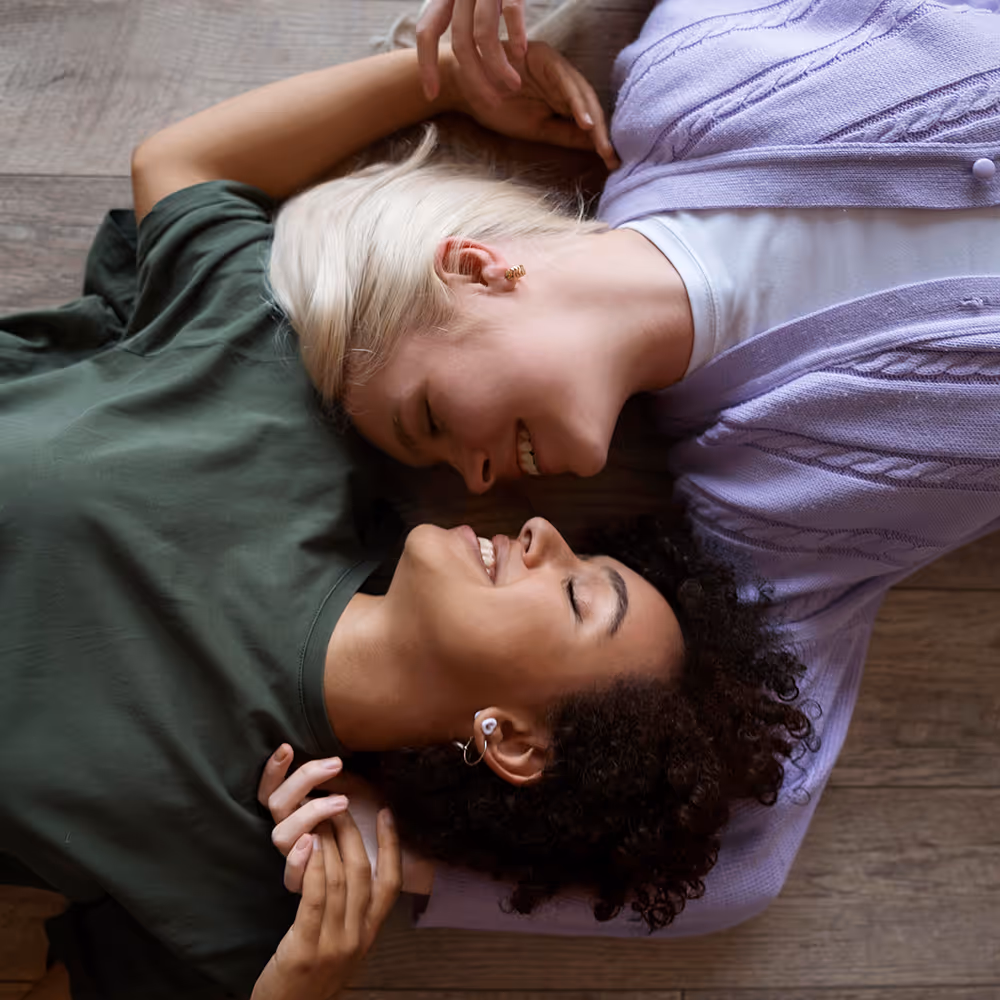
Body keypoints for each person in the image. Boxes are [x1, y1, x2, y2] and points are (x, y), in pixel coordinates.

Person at [126, 0, 1000, 940]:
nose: (478, 483)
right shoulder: (777, 507)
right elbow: (733, 870)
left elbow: (175, 166)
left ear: (471, 267)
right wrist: (384, 857)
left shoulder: (692, 73)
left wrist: (453, 76)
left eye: (431, 419)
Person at [0, 68, 812, 1000]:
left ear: (510, 739)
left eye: (582, 590)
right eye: (585, 553)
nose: (543, 529)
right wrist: (445, 80)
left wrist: (292, 994)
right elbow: (185, 163)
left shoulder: (254, 882)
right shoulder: (276, 411)